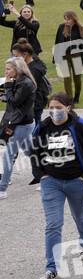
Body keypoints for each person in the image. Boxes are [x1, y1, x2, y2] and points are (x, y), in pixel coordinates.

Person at [30, 92, 83, 279]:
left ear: (68, 109)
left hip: (76, 181)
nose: (54, 111)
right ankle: (51, 268)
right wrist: (40, 175)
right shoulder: (42, 127)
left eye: (59, 108)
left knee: (80, 216)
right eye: (51, 108)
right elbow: (34, 151)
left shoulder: (81, 126)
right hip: (51, 182)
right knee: (53, 224)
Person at [0, 56, 37, 198]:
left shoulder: (25, 83)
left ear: (17, 69)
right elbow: (14, 100)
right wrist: (5, 95)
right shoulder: (18, 81)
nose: (6, 72)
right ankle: (47, 174)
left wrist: (8, 86)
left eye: (8, 69)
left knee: (8, 156)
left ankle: (2, 189)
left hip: (22, 125)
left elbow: (15, 101)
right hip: (21, 123)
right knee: (30, 152)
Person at [53, 11, 83, 106]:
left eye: (68, 19)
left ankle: (77, 95)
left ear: (74, 19)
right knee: (67, 78)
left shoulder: (82, 28)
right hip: (64, 56)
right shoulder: (61, 27)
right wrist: (55, 59)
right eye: (65, 19)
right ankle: (69, 99)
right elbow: (57, 43)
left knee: (77, 78)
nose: (66, 21)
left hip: (77, 55)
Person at [12, 39, 50, 122]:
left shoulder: (32, 70)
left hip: (35, 104)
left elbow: (25, 88)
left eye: (16, 56)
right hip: (33, 103)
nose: (14, 59)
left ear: (25, 55)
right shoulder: (31, 64)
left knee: (34, 126)